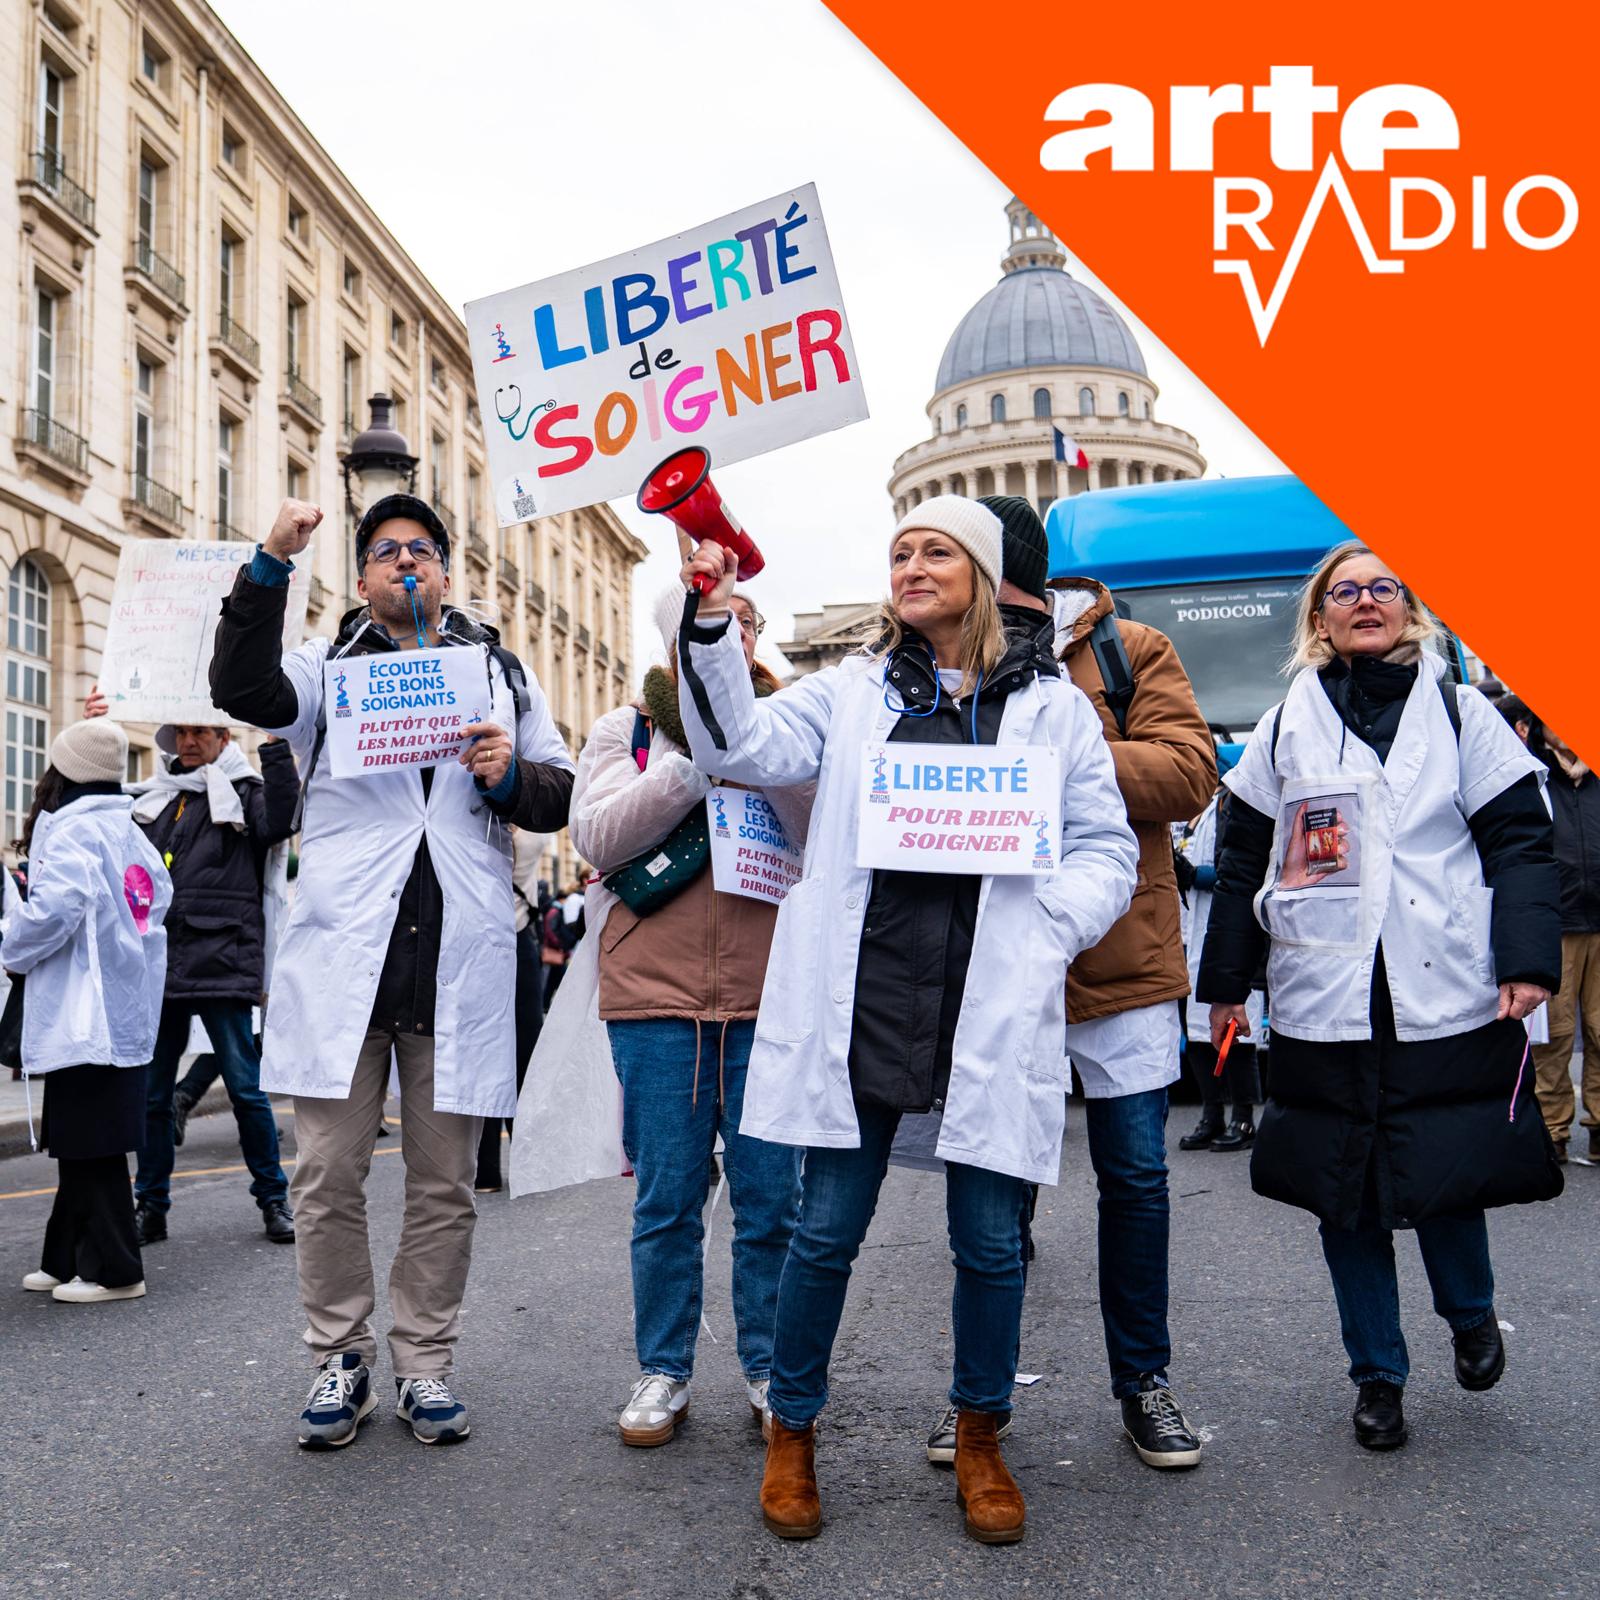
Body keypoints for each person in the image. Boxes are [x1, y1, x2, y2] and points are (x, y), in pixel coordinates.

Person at [676, 497, 1139, 1544]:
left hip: (986, 999)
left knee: (987, 1244)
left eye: (935, 550)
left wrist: (1047, 931)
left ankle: (979, 1433)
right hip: (869, 999)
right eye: (898, 551)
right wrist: (709, 623)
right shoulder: (847, 691)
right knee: (825, 1231)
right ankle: (793, 1428)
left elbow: (1104, 847)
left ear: (979, 572)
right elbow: (738, 743)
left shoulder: (1052, 707)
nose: (911, 565)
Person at [209, 494, 575, 1449]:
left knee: (444, 1180)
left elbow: (558, 791)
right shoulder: (326, 672)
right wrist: (270, 566)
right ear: (364, 578)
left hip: (452, 964)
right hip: (347, 963)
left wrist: (505, 777)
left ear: (447, 574)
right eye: (385, 552)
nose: (404, 562)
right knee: (327, 1174)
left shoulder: (500, 674)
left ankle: (425, 1362)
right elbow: (240, 687)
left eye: (421, 549)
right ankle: (340, 1357)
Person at [1198, 542, 1562, 1452]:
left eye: (1382, 587)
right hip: (1326, 991)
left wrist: (1526, 960)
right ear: (1320, 617)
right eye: (1344, 591)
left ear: (1409, 608)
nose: (1365, 601)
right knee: (1344, 1198)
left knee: (1444, 1175)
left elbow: (1520, 841)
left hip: (1439, 979)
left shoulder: (1461, 709)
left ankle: (1470, 1314)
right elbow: (1243, 855)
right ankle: (1378, 1376)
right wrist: (1227, 986)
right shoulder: (1287, 724)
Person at [935, 497, 1215, 1472]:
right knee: (992, 1184)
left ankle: (1144, 1381)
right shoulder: (940, 658)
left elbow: (1188, 773)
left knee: (1134, 1176)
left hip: (1119, 957)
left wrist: (1057, 755)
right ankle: (979, 1398)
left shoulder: (1127, 649)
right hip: (994, 958)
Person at [570, 585, 808, 1447]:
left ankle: (771, 1367)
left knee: (771, 1200)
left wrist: (752, 748)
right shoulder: (625, 730)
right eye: (715, 622)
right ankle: (663, 1369)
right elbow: (594, 837)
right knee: (667, 1200)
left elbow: (823, 830)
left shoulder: (791, 722)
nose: (733, 635)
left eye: (747, 622)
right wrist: (691, 762)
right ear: (679, 637)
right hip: (654, 997)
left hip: (768, 995)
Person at [82, 694, 299, 1246]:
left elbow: (284, 818)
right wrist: (97, 731)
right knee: (153, 1097)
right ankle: (150, 1206)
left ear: (225, 739)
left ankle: (274, 1200)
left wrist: (274, 744)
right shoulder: (153, 799)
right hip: (160, 964)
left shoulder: (246, 793)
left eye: (201, 732)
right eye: (181, 732)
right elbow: (102, 819)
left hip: (223, 959)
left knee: (247, 1090)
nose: (189, 740)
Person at [7, 718, 170, 1303]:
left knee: (91, 1141)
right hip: (121, 1009)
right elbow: (154, 909)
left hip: (84, 1012)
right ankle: (64, 1257)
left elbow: (55, 912)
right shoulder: (129, 831)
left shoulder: (75, 833)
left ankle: (117, 1271)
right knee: (79, 1137)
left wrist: (11, 943)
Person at [1499, 696, 1600, 1164]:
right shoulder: (1531, 775)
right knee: (1554, 1036)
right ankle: (1553, 1130)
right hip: (1554, 923)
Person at [1175, 756, 1263, 1152]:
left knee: (1235, 1033)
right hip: (1188, 931)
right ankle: (1211, 1114)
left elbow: (1242, 864)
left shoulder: (1231, 801)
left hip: (1225, 927)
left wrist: (1197, 875)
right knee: (1195, 1032)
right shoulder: (1190, 807)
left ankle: (1243, 1118)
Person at [472, 827, 548, 1193]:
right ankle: (528, 1166)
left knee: (484, 1057)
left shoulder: (477, 823)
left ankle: (485, 1171)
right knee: (524, 1058)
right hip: (517, 942)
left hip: (479, 942)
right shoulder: (530, 827)